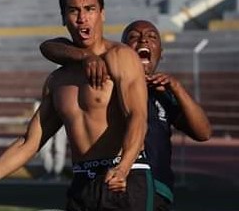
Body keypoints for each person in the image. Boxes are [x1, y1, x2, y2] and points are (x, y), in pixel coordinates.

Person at [0, 0, 152, 210]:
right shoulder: (57, 80)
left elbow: (137, 117)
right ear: (63, 18)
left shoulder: (121, 57)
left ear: (102, 14)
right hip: (82, 184)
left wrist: (123, 167)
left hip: (124, 178)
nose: (82, 18)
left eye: (90, 9)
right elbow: (29, 142)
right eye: (73, 11)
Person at [39, 19, 212, 210]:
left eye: (152, 37)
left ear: (160, 53)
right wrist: (85, 56)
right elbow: (50, 46)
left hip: (156, 189)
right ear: (122, 49)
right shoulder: (108, 83)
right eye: (134, 37)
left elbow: (203, 133)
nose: (144, 40)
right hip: (113, 184)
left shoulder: (163, 93)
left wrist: (177, 88)